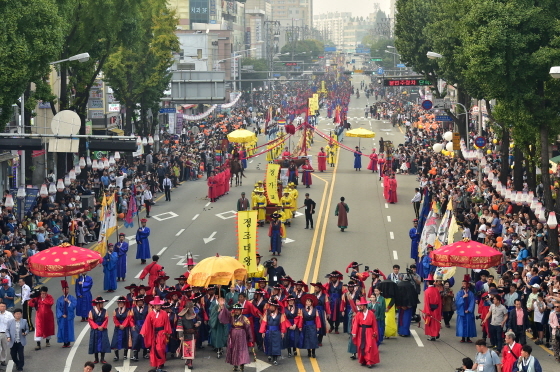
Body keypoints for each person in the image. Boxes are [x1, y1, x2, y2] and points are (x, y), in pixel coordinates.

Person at [218, 300, 254, 372]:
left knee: (241, 351)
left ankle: (242, 366)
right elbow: (226, 314)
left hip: (242, 336)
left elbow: (248, 329)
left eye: (238, 310)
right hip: (233, 336)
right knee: (234, 350)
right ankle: (235, 365)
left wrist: (250, 338)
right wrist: (223, 307)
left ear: (241, 311)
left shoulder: (244, 319)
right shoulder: (232, 316)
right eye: (236, 310)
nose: (236, 311)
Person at [140, 296, 172, 372]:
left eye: (159, 305)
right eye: (157, 305)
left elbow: (167, 323)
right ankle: (157, 364)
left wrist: (167, 332)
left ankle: (160, 363)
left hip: (161, 333)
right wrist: (143, 332)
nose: (158, 306)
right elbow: (146, 324)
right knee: (154, 349)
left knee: (160, 348)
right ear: (154, 306)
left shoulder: (164, 313)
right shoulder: (150, 314)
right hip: (153, 333)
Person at [351, 298, 379, 368]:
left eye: (360, 305)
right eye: (359, 305)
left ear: (365, 306)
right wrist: (354, 333)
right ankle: (363, 360)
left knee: (369, 346)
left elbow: (374, 324)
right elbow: (355, 324)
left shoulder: (371, 314)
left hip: (369, 331)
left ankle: (369, 361)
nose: (359, 307)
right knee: (361, 346)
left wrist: (375, 332)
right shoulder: (358, 314)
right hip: (361, 331)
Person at [259, 298, 286, 365]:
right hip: (268, 331)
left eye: (272, 306)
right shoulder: (267, 313)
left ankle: (275, 359)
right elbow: (264, 322)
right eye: (270, 306)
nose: (271, 307)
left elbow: (282, 323)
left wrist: (282, 332)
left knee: (276, 345)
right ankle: (269, 355)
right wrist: (263, 331)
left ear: (275, 307)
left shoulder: (280, 314)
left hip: (276, 332)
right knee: (269, 344)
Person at [28, 286, 54, 350]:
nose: (43, 295)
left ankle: (47, 341)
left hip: (48, 316)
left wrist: (43, 300)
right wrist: (33, 298)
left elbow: (50, 303)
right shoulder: (37, 298)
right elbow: (31, 304)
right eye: (42, 293)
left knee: (48, 328)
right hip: (39, 316)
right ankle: (38, 344)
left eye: (44, 293)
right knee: (38, 329)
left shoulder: (49, 297)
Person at [177, 301, 201, 369]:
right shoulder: (182, 316)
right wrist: (180, 335)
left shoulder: (194, 314)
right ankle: (188, 360)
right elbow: (179, 326)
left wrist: (198, 323)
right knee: (187, 348)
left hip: (193, 334)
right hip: (185, 334)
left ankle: (190, 362)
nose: (192, 309)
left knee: (192, 348)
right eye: (190, 308)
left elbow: (199, 319)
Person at [88, 296, 111, 364]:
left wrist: (102, 326)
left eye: (102, 303)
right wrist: (97, 327)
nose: (102, 305)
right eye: (101, 303)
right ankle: (96, 358)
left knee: (103, 343)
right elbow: (90, 320)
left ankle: (102, 358)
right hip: (95, 329)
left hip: (102, 329)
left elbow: (106, 319)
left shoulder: (105, 311)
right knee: (95, 343)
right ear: (97, 304)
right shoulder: (91, 311)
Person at [6, 308, 28, 372]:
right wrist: (8, 337)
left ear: (21, 314)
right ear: (14, 315)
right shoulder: (10, 322)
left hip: (20, 341)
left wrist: (25, 333)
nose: (18, 315)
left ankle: (20, 367)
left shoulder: (24, 321)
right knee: (13, 355)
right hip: (13, 341)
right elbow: (7, 330)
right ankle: (17, 363)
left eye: (19, 314)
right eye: (16, 314)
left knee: (21, 355)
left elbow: (27, 329)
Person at [56, 280, 76, 348]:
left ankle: (68, 342)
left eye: (67, 289)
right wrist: (62, 314)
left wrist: (68, 301)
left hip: (69, 316)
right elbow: (58, 308)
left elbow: (74, 305)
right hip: (63, 317)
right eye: (64, 289)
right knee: (62, 329)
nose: (66, 290)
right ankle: (64, 342)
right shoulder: (59, 299)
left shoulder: (71, 298)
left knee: (69, 329)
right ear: (62, 290)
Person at [111, 296, 131, 362]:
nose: (121, 304)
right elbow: (114, 319)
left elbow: (128, 318)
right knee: (115, 341)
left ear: (124, 303)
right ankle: (116, 355)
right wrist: (119, 325)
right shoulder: (115, 310)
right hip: (118, 327)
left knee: (125, 339)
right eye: (119, 303)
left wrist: (124, 325)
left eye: (122, 303)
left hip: (125, 327)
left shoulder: (128, 310)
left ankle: (125, 355)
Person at [424, 277, 442, 341]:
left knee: (430, 323)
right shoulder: (436, 290)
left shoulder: (427, 291)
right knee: (436, 322)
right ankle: (436, 333)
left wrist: (427, 311)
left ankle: (432, 335)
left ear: (428, 282)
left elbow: (426, 302)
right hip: (436, 308)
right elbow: (439, 301)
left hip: (430, 309)